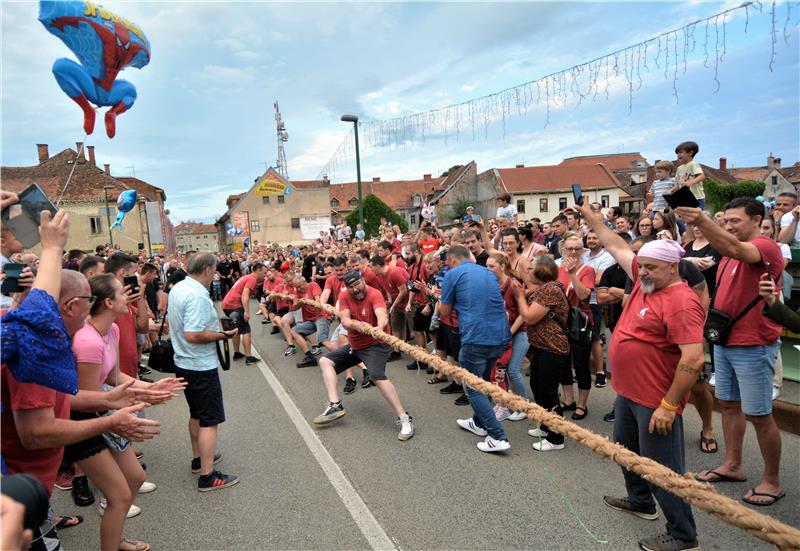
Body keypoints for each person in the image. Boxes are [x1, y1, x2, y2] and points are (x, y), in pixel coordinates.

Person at [576, 201, 705, 551]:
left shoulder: (680, 300)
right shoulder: (646, 281)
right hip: (629, 394)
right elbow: (615, 244)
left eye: (651, 267)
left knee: (663, 470)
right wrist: (593, 219)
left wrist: (669, 405)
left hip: (656, 401)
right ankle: (640, 501)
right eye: (641, 265)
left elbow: (693, 358)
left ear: (673, 267)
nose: (643, 271)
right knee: (625, 451)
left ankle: (683, 535)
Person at [677, 199, 784, 507]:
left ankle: (772, 481)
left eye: (735, 221)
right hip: (725, 341)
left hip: (753, 344)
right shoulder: (727, 254)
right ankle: (732, 465)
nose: (729, 227)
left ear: (757, 220)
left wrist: (702, 220)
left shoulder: (766, 247)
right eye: (726, 222)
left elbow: (738, 249)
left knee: (760, 415)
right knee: (729, 406)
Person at [68, 274, 184, 551]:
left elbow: (115, 376)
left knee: (135, 478)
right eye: (123, 292)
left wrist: (151, 387)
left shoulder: (113, 330)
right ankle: (112, 544)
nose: (129, 295)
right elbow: (88, 402)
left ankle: (116, 539)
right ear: (108, 302)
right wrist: (137, 400)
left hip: (104, 410)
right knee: (120, 494)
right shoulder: (88, 342)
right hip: (84, 419)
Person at [312, 270, 414, 441]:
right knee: (325, 361)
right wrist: (359, 325)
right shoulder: (345, 297)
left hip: (376, 345)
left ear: (363, 281)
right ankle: (335, 405)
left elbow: (382, 315)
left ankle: (405, 418)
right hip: (356, 345)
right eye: (351, 287)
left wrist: (379, 329)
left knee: (376, 376)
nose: (356, 289)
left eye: (358, 284)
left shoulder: (374, 294)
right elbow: (345, 321)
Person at [167, 253, 239, 492]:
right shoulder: (197, 294)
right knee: (210, 420)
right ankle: (208, 475)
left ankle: (199, 458)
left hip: (183, 361)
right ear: (208, 270)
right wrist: (223, 335)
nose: (215, 274)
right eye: (215, 270)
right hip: (198, 364)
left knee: (196, 414)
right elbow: (194, 334)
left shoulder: (179, 287)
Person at [440, 245, 512, 453]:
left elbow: (445, 311)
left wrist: (439, 300)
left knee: (473, 386)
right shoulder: (487, 271)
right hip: (499, 336)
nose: (447, 266)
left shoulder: (452, 274)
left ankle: (497, 435)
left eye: (447, 262)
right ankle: (479, 423)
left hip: (476, 337)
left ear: (454, 260)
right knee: (484, 382)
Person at [521, 255, 571, 451]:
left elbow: (530, 317)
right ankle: (545, 424)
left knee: (549, 392)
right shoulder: (543, 288)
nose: (528, 271)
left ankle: (556, 437)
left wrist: (518, 296)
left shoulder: (550, 290)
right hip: (541, 347)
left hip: (553, 348)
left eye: (531, 268)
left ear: (541, 271)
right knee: (537, 385)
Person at [485, 253, 529, 422]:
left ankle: (524, 406)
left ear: (502, 267)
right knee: (499, 368)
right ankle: (506, 403)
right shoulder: (492, 284)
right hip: (501, 332)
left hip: (520, 331)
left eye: (492, 266)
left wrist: (510, 332)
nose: (488, 269)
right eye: (487, 266)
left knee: (512, 369)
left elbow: (523, 314)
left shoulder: (514, 284)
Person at [557, 233, 595, 420]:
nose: (573, 252)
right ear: (563, 249)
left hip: (580, 324)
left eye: (577, 248)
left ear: (582, 250)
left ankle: (582, 404)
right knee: (563, 364)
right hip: (561, 323)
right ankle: (569, 400)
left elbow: (583, 296)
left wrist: (572, 274)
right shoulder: (558, 269)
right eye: (569, 248)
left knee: (581, 365)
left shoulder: (587, 270)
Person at [580, 230, 617, 388]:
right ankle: (582, 370)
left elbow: (598, 279)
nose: (592, 240)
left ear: (601, 241)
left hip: (594, 301)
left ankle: (600, 372)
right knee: (578, 336)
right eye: (589, 238)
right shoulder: (583, 255)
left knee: (594, 337)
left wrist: (580, 277)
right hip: (578, 299)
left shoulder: (607, 257)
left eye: (595, 237)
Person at [221, 262, 266, 365]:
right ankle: (249, 357)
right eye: (264, 273)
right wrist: (246, 311)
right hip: (235, 305)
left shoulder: (246, 277)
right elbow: (245, 295)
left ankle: (236, 353)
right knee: (246, 330)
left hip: (226, 304)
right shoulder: (252, 279)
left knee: (235, 328)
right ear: (258, 271)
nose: (265, 275)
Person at [672, 141, 706, 208]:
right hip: (685, 198)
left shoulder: (693, 164)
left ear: (690, 152)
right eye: (677, 153)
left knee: (693, 217)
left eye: (680, 152)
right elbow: (678, 185)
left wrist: (691, 182)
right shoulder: (679, 168)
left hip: (696, 198)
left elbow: (702, 176)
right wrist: (670, 191)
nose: (678, 155)